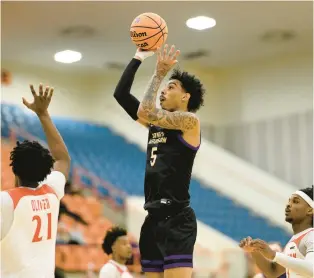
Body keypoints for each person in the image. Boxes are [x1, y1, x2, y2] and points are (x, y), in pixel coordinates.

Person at [113, 44, 205, 278]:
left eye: (170, 87)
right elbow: (121, 94)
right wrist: (138, 57)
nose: (163, 91)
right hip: (152, 220)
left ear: (185, 97)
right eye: (163, 88)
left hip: (177, 219)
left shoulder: (190, 122)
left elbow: (146, 110)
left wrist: (159, 73)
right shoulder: (155, 124)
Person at [0, 84, 71, 277]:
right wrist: (43, 114)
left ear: (14, 170)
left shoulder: (6, 201)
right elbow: (63, 158)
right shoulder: (52, 193)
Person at [239, 186, 314, 278]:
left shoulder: (311, 236)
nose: (288, 205)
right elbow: (272, 272)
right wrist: (254, 251)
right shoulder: (293, 241)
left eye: (295, 202)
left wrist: (274, 255)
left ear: (310, 210)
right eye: (289, 201)